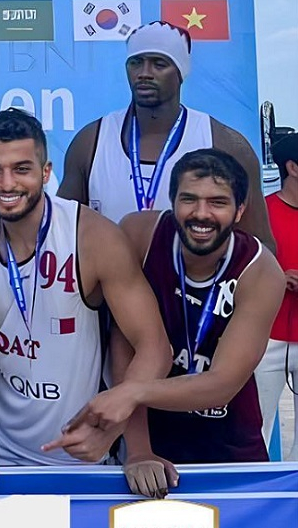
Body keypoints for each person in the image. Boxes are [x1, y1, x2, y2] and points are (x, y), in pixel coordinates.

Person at [0, 109, 170, 482]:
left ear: (45, 172)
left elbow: (154, 347)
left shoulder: (93, 237)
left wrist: (113, 430)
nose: (6, 183)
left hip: (78, 450)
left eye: (21, 169)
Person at [74, 149, 283, 496]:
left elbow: (222, 384)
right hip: (150, 443)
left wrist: (129, 393)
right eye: (189, 199)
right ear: (172, 202)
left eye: (217, 202)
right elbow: (124, 344)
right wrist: (139, 449)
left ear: (240, 209)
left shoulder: (260, 271)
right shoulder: (140, 234)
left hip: (228, 445)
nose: (201, 214)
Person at [58, 21, 275, 252]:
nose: (144, 74)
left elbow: (261, 246)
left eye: (159, 64)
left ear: (180, 72)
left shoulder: (225, 144)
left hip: (192, 286)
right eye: (136, 63)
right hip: (111, 287)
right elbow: (60, 235)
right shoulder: (91, 142)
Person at [257, 132, 298, 461]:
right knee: (257, 425)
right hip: (265, 338)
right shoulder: (263, 212)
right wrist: (274, 279)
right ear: (292, 167)